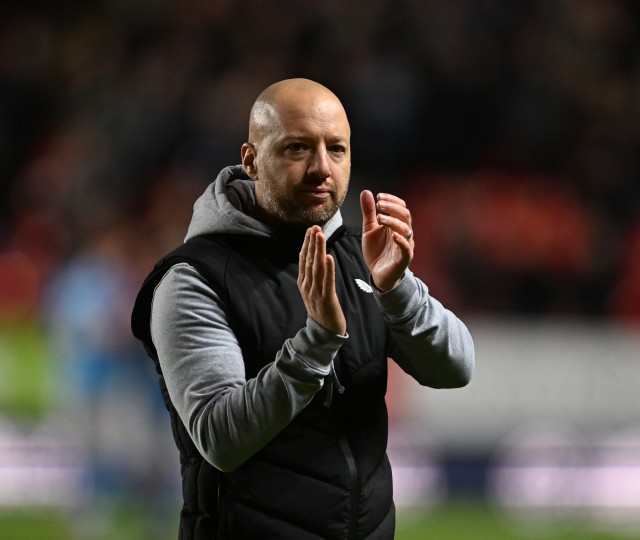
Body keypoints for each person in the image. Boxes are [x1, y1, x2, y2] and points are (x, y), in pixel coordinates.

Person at [131, 78, 475, 539]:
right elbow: (220, 438)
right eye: (297, 148)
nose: (321, 168)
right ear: (251, 159)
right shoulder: (195, 277)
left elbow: (456, 368)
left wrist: (397, 293)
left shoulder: (363, 258)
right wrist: (317, 343)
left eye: (336, 149)